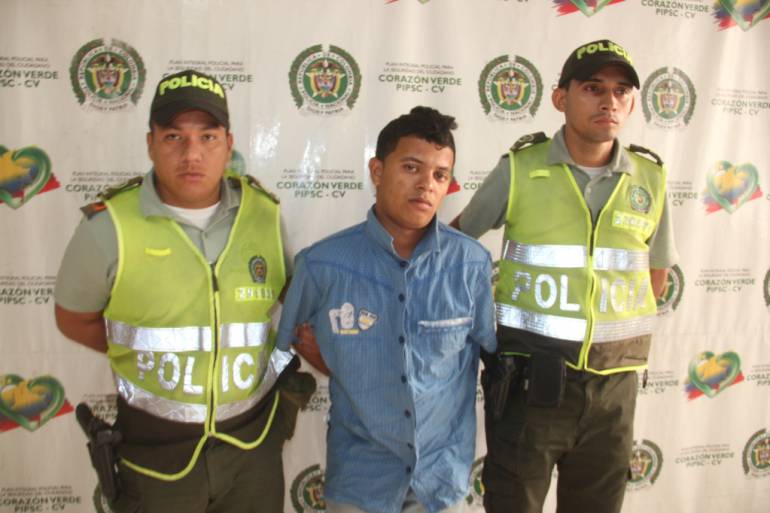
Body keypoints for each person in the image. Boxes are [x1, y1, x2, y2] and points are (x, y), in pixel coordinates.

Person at [54, 69, 314, 513]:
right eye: (174, 136)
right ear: (151, 142)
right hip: (156, 459)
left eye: (208, 137)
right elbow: (73, 319)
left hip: (252, 451)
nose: (192, 153)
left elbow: (291, 305)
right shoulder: (108, 225)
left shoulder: (265, 216)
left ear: (228, 145)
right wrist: (143, 358)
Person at [449, 40, 678, 513]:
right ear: (560, 98)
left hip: (615, 391)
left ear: (632, 102)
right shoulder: (520, 169)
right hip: (532, 384)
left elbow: (656, 278)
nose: (608, 101)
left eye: (620, 91)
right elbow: (453, 249)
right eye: (593, 88)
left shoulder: (650, 179)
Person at [277, 106, 497, 513]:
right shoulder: (323, 264)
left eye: (439, 175)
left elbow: (488, 357)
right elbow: (283, 349)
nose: (426, 185)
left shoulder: (471, 265)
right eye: (411, 168)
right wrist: (339, 364)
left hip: (439, 480)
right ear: (377, 170)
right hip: (360, 478)